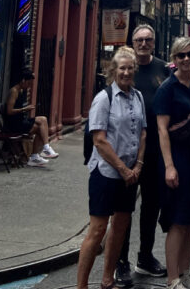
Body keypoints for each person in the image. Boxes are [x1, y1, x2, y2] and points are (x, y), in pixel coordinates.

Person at [76, 48, 147, 289]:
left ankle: (108, 279)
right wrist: (123, 169)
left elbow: (143, 133)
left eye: (130, 68)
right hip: (106, 173)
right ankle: (82, 286)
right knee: (98, 230)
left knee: (120, 227)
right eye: (122, 68)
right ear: (113, 70)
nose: (126, 72)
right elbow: (99, 140)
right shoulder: (104, 98)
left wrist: (138, 165)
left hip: (130, 174)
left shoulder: (138, 97)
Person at [114, 26, 170, 289]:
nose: (144, 43)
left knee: (151, 206)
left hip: (155, 151)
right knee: (125, 208)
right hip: (127, 151)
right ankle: (120, 261)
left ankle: (145, 257)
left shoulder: (164, 69)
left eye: (148, 39)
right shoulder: (126, 69)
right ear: (133, 42)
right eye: (139, 40)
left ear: (154, 42)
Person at [155, 37, 190, 289]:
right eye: (181, 55)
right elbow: (162, 130)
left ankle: (186, 273)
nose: (186, 59)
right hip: (178, 159)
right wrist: (169, 166)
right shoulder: (167, 88)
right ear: (174, 59)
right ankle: (172, 279)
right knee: (177, 220)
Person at [4, 68, 59, 167]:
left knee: (42, 124)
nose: (29, 86)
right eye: (28, 83)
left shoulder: (20, 91)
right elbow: (9, 111)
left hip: (20, 121)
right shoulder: (14, 91)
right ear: (23, 80)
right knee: (42, 123)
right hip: (14, 124)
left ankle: (37, 155)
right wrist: (24, 109)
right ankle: (41, 151)